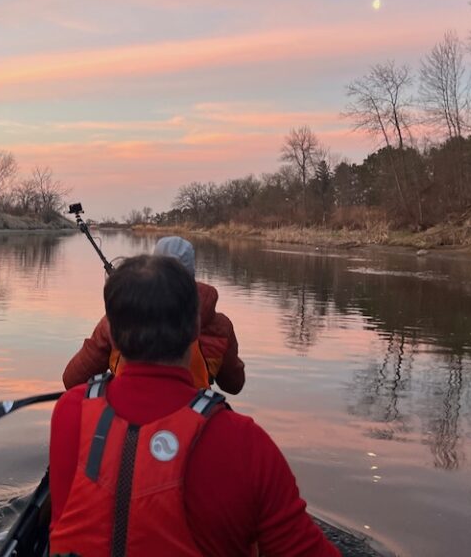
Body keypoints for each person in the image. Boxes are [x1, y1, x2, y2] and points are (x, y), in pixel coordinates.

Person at [50, 254, 340, 556]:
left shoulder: (70, 411)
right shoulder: (245, 443)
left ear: (113, 332)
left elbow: (72, 380)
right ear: (193, 331)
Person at [62, 236, 246, 394]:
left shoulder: (120, 318)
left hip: (126, 413)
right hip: (197, 420)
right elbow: (234, 385)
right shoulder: (220, 326)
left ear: (151, 268)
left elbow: (73, 380)